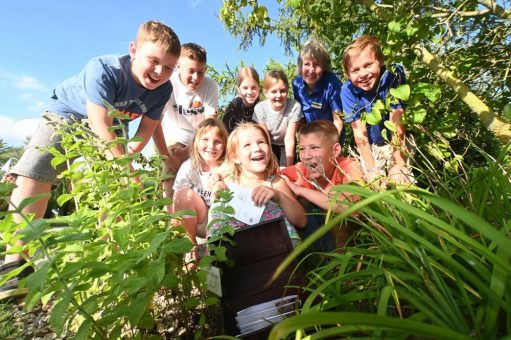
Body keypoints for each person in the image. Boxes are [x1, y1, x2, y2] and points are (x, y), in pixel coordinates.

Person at [1, 20, 181, 296]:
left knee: (110, 189)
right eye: (153, 61)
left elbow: (146, 129)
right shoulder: (104, 69)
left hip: (114, 125)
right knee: (36, 171)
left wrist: (128, 161)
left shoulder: (163, 90)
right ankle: (15, 262)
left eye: (168, 67)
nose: (159, 71)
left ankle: (111, 255)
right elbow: (99, 122)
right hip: (69, 115)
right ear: (133, 50)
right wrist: (125, 166)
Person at [208, 123, 307, 244]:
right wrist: (217, 189)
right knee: (217, 207)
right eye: (247, 145)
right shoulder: (228, 183)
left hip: (275, 250)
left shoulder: (275, 183)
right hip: (237, 250)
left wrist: (278, 196)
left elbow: (301, 220)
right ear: (235, 157)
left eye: (261, 142)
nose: (257, 148)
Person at [153, 43, 219, 208]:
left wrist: (191, 149)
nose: (196, 77)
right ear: (178, 66)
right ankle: (171, 220)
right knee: (170, 174)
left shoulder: (210, 86)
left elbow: (209, 124)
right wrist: (168, 159)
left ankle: (204, 218)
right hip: (172, 138)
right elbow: (154, 124)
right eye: (191, 71)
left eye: (201, 72)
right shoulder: (168, 84)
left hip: (199, 139)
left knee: (206, 175)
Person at [281, 120, 364, 252]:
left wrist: (300, 190)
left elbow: (352, 208)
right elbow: (269, 175)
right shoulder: (301, 170)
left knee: (335, 214)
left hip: (351, 243)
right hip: (317, 237)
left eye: (314, 148)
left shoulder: (348, 167)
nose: (306, 156)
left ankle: (340, 265)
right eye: (302, 149)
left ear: (335, 150)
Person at [340, 35, 412, 185]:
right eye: (355, 70)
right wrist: (373, 171)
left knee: (402, 181)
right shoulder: (347, 91)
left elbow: (397, 124)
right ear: (347, 74)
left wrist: (398, 164)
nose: (363, 74)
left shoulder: (393, 75)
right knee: (374, 184)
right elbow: (360, 133)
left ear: (380, 60)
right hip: (371, 145)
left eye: (368, 65)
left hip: (399, 140)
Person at [172, 118, 228, 264]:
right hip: (201, 221)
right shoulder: (189, 166)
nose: (211, 146)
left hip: (224, 220)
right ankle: (191, 249)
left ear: (224, 145)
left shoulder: (228, 166)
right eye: (205, 140)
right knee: (183, 195)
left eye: (217, 141)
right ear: (196, 143)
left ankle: (215, 250)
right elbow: (177, 202)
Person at [293, 39, 344, 143]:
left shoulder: (332, 84)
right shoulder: (297, 84)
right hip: (310, 135)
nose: (311, 70)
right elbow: (300, 116)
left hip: (331, 134)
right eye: (307, 64)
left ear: (324, 67)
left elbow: (338, 121)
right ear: (300, 65)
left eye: (317, 65)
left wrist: (331, 145)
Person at [253, 69, 303, 167]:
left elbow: (289, 138)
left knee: (285, 171)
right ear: (266, 93)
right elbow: (264, 137)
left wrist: (288, 168)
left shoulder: (294, 106)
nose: (278, 95)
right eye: (274, 91)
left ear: (288, 90)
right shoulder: (260, 108)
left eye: (283, 91)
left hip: (285, 144)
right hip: (269, 143)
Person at [222, 66, 260, 134]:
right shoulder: (234, 106)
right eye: (245, 88)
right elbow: (224, 133)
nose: (250, 92)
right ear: (238, 89)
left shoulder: (261, 107)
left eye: (253, 87)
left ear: (259, 88)